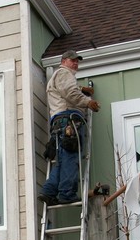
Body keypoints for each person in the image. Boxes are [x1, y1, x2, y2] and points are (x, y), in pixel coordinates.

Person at [38, 50, 100, 205]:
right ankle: (67, 193)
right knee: (71, 158)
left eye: (77, 61)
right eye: (72, 60)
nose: (76, 63)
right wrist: (87, 102)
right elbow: (70, 93)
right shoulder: (64, 74)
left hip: (59, 122)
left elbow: (68, 90)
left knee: (62, 160)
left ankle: (49, 191)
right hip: (69, 120)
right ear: (64, 61)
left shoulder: (60, 76)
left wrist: (81, 89)